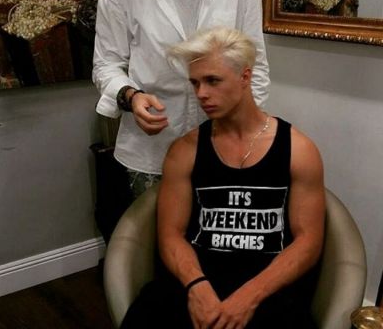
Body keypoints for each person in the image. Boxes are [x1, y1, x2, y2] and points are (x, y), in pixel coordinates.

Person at [120, 26, 325, 328]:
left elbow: (308, 241)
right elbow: (170, 234)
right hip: (197, 281)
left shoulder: (299, 150)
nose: (201, 93)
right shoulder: (184, 151)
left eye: (213, 81)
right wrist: (196, 286)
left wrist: (250, 296)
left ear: (245, 77)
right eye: (195, 82)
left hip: (268, 289)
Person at [92, 0, 270, 197]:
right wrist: (132, 97)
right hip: (154, 149)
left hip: (226, 144)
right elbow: (106, 65)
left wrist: (249, 135)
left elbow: (254, 64)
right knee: (158, 224)